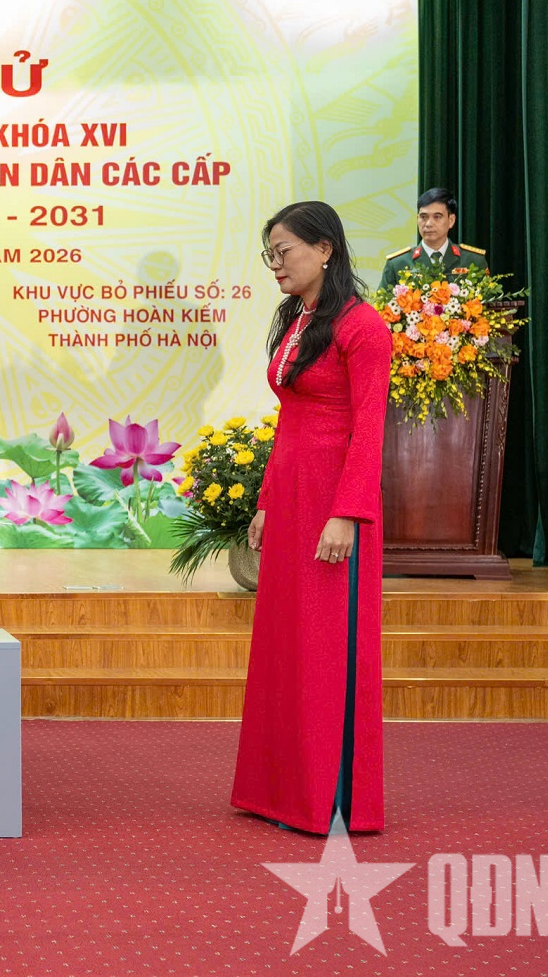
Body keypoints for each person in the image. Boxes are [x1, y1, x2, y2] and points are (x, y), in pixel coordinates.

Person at [233, 201, 392, 835]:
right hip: (293, 497)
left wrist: (347, 514)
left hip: (332, 504)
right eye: (269, 255)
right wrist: (266, 501)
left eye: (284, 252)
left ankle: (330, 797)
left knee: (325, 648)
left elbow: (370, 430)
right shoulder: (296, 318)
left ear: (325, 249)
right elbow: (290, 423)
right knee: (286, 646)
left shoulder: (363, 327)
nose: (275, 265)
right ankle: (279, 790)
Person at [378, 186, 487, 289]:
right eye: (423, 217)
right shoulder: (398, 263)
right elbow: (382, 302)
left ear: (451, 220)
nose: (428, 224)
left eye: (437, 217)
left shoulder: (473, 261)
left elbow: (488, 301)